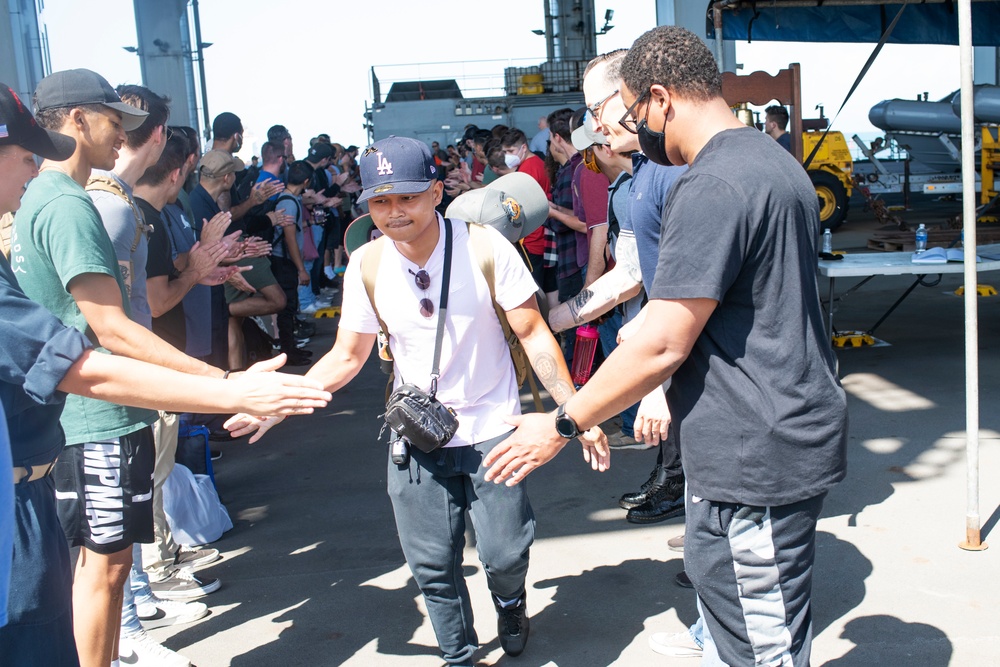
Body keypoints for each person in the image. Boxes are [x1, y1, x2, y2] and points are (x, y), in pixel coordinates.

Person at [485, 26, 848, 667]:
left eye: (629, 115)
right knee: (762, 629)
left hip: (753, 451)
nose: (631, 132)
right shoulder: (774, 162)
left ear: (660, 98)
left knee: (763, 650)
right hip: (774, 434)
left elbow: (661, 341)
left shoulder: (711, 185)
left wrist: (563, 423)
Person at [226, 136, 609, 667]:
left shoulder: (485, 247)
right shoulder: (365, 266)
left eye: (406, 197)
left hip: (494, 429)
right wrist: (277, 403)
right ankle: (458, 654)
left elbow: (534, 333)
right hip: (418, 435)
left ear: (434, 192)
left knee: (503, 554)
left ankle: (510, 601)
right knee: (432, 566)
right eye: (380, 201)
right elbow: (346, 357)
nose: (394, 212)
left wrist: (573, 414)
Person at [0, 81, 331, 667]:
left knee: (98, 570)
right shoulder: (66, 203)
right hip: (89, 419)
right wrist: (226, 387)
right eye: (25, 153)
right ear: (80, 119)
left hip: (60, 437)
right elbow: (104, 338)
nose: (122, 132)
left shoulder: (51, 201)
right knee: (100, 570)